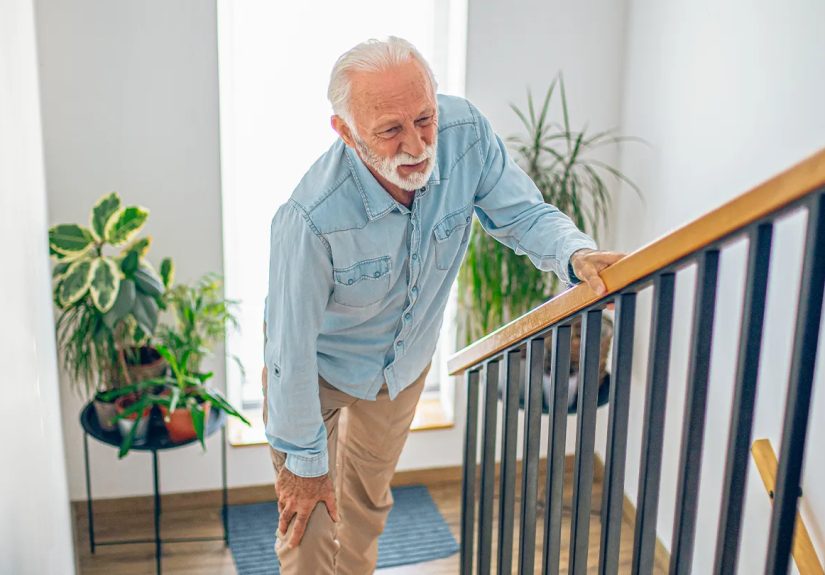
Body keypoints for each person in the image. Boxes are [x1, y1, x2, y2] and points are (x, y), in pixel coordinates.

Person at [261, 36, 623, 574]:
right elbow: (288, 353)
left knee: (364, 512)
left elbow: (521, 213)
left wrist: (576, 254)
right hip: (314, 373)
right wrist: (305, 465)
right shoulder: (311, 218)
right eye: (389, 130)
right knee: (310, 525)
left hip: (401, 368)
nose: (417, 144)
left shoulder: (465, 134)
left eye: (424, 118)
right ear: (345, 131)